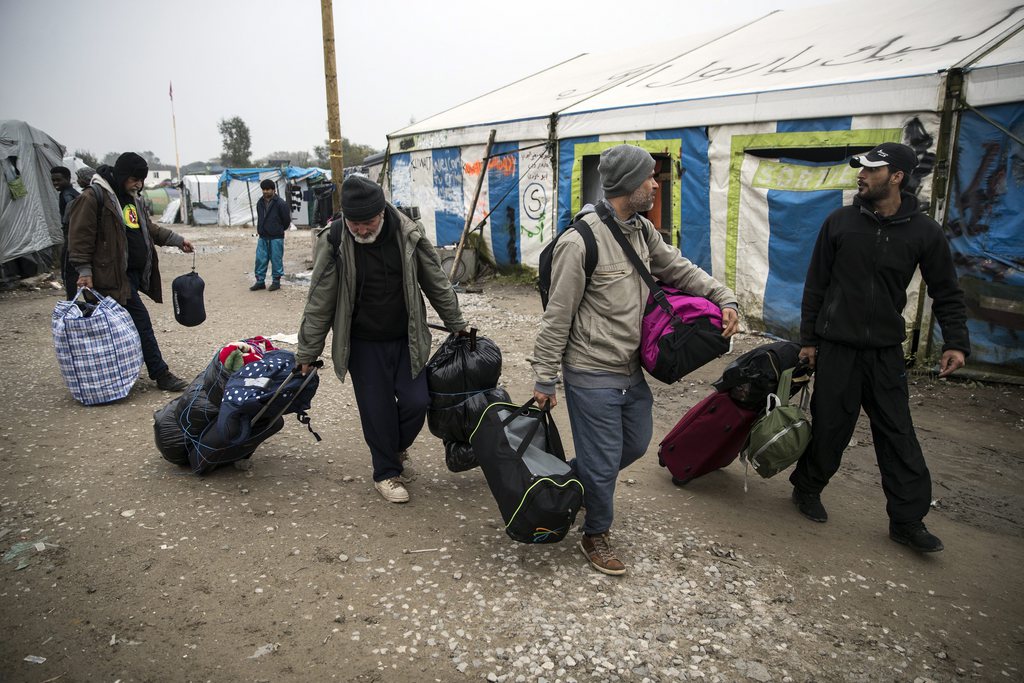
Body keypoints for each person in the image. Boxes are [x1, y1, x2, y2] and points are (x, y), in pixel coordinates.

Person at [529, 145, 739, 575]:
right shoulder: (580, 241)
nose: (655, 184)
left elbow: (679, 269)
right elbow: (557, 318)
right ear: (628, 184)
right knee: (604, 458)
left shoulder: (642, 231)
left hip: (630, 368)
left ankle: (569, 480)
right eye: (650, 177)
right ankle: (595, 534)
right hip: (590, 370)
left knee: (636, 443)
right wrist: (544, 380)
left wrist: (723, 297)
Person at [791, 142, 970, 553]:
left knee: (897, 433)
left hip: (885, 352)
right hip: (837, 347)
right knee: (831, 426)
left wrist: (956, 342)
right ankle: (806, 488)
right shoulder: (839, 223)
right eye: (861, 169)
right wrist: (809, 342)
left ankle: (907, 521)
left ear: (897, 177)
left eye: (871, 170)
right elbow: (816, 285)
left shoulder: (924, 232)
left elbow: (946, 290)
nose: (861, 175)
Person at [296, 175, 469, 504]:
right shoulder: (334, 239)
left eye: (367, 222)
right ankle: (386, 472)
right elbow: (319, 300)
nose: (360, 230)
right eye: (354, 223)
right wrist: (307, 351)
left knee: (418, 401)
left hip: (407, 337)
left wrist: (456, 322)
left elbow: (435, 280)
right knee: (377, 411)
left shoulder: (407, 232)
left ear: (382, 213)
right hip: (362, 343)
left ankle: (395, 450)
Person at [67, 152, 194, 392]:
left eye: (142, 180)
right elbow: (79, 237)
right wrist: (84, 271)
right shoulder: (94, 197)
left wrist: (177, 240)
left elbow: (148, 229)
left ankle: (111, 375)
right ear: (123, 175)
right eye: (135, 179)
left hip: (130, 276)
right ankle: (160, 373)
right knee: (140, 323)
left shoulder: (130, 199)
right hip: (110, 278)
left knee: (117, 328)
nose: (139, 184)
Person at [250, 179, 290, 292]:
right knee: (260, 259)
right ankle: (260, 282)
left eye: (268, 189)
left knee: (276, 259)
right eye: (263, 189)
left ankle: (276, 282)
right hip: (263, 236)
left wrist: (278, 229)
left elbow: (286, 220)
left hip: (276, 237)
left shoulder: (280, 203)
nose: (265, 191)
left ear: (273, 190)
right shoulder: (260, 202)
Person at [51, 166, 80, 299]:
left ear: (68, 179)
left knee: (68, 272)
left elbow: (73, 217)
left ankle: (71, 302)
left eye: (58, 180)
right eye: (53, 180)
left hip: (72, 239)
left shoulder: (67, 195)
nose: (56, 183)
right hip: (76, 238)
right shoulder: (72, 193)